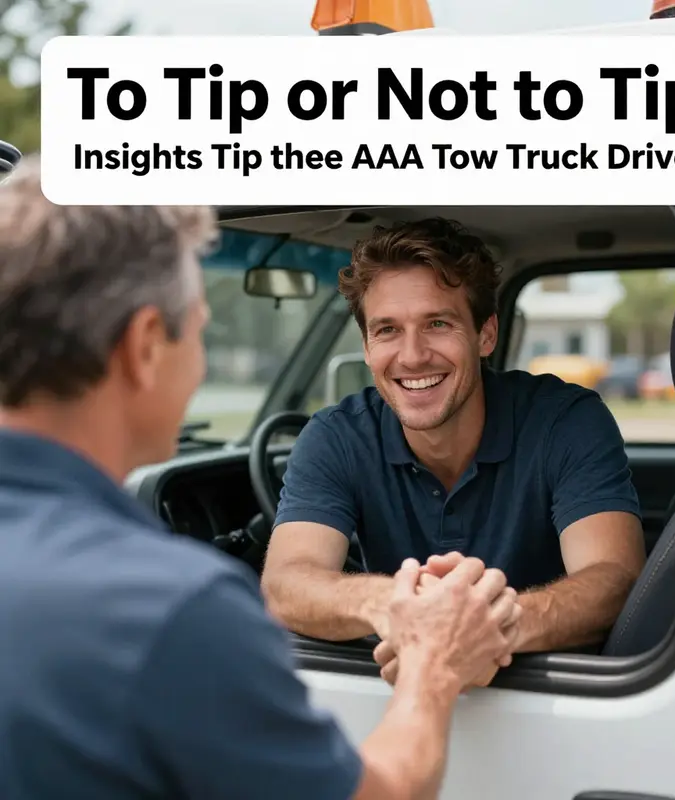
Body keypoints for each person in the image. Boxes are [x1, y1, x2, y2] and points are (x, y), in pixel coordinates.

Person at [0, 159, 523, 800]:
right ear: (143, 348)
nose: (198, 367)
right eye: (198, 333)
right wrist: (433, 660)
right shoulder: (172, 610)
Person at [263, 216, 647, 687]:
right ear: (365, 345)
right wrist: (399, 607)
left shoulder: (566, 420)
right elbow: (286, 584)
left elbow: (614, 579)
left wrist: (491, 628)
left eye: (437, 324)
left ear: (485, 335)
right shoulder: (335, 435)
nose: (412, 355)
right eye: (387, 330)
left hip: (556, 705)